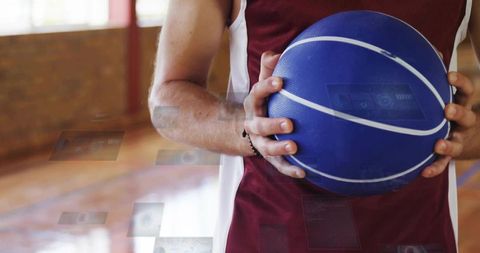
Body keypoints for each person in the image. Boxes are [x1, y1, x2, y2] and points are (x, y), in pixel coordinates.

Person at [149, 0, 480, 252]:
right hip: (269, 234)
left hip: (417, 235)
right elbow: (166, 100)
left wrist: (469, 135)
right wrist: (248, 129)